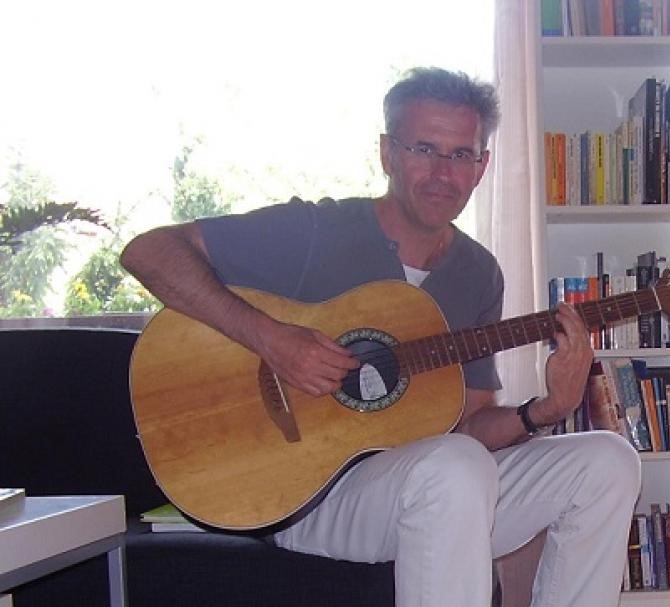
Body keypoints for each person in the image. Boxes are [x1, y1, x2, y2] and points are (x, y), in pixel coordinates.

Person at [120, 67, 641, 607]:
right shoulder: (315, 232)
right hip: (302, 494)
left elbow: (468, 425)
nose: (443, 173)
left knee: (607, 461)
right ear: (387, 154)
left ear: (482, 166)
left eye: (461, 154)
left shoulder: (478, 274)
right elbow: (148, 252)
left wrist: (547, 409)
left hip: (428, 488)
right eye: (424, 149)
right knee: (455, 468)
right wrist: (272, 339)